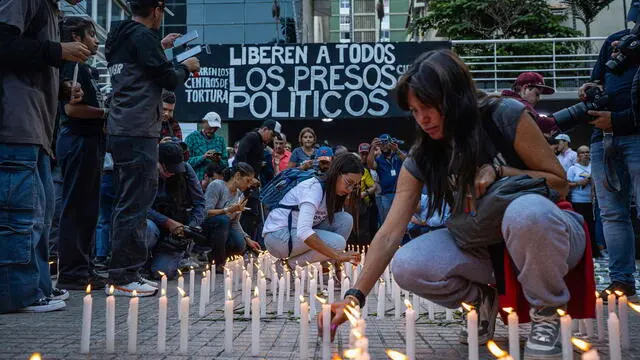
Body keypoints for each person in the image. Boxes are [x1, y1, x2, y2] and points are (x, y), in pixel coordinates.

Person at [323, 50, 593, 360]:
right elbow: (388, 234)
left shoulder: (503, 115)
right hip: (482, 242)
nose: (422, 120)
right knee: (408, 264)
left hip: (547, 232)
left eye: (429, 107)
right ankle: (481, 299)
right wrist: (354, 297)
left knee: (525, 211)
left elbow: (558, 183)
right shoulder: (423, 156)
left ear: (454, 98)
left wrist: (500, 170)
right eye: (414, 111)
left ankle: (546, 313)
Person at [105, 0, 200, 296]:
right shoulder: (143, 37)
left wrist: (161, 47)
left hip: (122, 126)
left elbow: (139, 67)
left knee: (128, 201)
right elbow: (167, 77)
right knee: (136, 203)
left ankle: (123, 271)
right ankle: (124, 275)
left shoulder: (121, 35)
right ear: (157, 11)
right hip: (138, 129)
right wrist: (186, 66)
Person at [0, 0, 89, 313]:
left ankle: (37, 286)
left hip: (37, 131)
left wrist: (63, 89)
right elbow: (4, 43)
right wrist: (57, 51)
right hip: (15, 126)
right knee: (20, 216)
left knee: (40, 215)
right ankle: (16, 294)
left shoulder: (51, 10)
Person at [579, 0, 640, 299]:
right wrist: (590, 90)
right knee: (612, 214)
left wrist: (617, 119)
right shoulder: (615, 41)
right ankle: (621, 282)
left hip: (633, 136)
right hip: (603, 139)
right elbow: (596, 80)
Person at [56, 16, 109, 290]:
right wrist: (106, 114)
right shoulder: (71, 66)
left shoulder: (87, 69)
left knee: (89, 208)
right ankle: (72, 271)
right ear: (76, 37)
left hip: (90, 141)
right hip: (78, 139)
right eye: (91, 35)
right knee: (77, 207)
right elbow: (72, 109)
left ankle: (84, 266)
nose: (96, 40)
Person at [263, 154, 362, 266]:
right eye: (348, 183)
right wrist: (338, 255)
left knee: (345, 219)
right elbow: (304, 232)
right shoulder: (314, 188)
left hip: (293, 234)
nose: (350, 190)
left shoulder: (332, 192)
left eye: (354, 186)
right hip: (278, 237)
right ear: (336, 173)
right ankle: (288, 265)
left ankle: (327, 266)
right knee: (338, 243)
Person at [146, 142, 205, 279]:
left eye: (175, 169)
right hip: (152, 224)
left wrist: (190, 226)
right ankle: (140, 263)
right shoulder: (146, 171)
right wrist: (167, 222)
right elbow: (139, 207)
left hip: (174, 234)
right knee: (147, 228)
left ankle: (166, 259)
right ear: (157, 161)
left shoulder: (186, 171)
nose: (171, 173)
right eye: (167, 169)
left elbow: (200, 204)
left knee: (163, 273)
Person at [203, 162, 262, 272]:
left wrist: (247, 238)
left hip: (225, 228)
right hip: (208, 227)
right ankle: (219, 263)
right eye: (247, 181)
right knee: (223, 220)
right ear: (237, 176)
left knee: (240, 244)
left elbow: (235, 222)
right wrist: (227, 210)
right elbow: (205, 212)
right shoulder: (217, 185)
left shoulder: (239, 194)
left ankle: (214, 256)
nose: (249, 185)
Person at [234, 119, 282, 239]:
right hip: (244, 183)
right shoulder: (252, 137)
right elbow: (239, 157)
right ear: (265, 129)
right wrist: (249, 178)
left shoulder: (260, 142)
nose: (272, 138)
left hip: (251, 184)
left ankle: (249, 244)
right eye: (272, 135)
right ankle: (244, 244)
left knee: (253, 215)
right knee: (247, 214)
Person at [501, 72, 559, 136]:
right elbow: (539, 122)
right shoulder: (519, 104)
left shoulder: (505, 101)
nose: (538, 99)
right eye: (537, 94)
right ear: (525, 88)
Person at [567, 145, 600, 258]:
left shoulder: (593, 167)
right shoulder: (573, 169)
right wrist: (578, 183)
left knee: (591, 226)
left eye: (587, 152)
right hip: (577, 200)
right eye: (583, 152)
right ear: (578, 155)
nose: (586, 154)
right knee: (580, 226)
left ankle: (593, 252)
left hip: (591, 201)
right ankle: (579, 252)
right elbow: (566, 184)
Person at [367, 134, 406, 221]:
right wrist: (373, 148)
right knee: (387, 220)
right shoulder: (379, 160)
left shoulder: (398, 155)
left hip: (400, 193)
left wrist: (397, 150)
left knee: (400, 219)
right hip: (386, 195)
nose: (384, 147)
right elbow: (370, 165)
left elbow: (408, 161)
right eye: (382, 145)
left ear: (390, 143)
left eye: (386, 144)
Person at [185, 111, 228, 180]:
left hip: (215, 182)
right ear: (204, 122)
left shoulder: (220, 140)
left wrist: (218, 160)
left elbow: (226, 165)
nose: (212, 130)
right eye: (210, 127)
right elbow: (185, 162)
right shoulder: (192, 138)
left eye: (216, 128)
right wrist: (203, 157)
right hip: (196, 181)